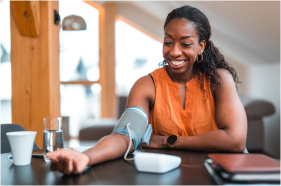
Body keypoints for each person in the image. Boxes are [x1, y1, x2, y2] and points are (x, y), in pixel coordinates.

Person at [47, 5, 247, 175]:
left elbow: (235, 140)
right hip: (171, 175)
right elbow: (124, 136)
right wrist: (85, 157)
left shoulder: (219, 80)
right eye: (168, 42)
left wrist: (168, 141)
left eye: (185, 44)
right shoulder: (147, 85)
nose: (174, 51)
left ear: (201, 46)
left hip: (220, 175)